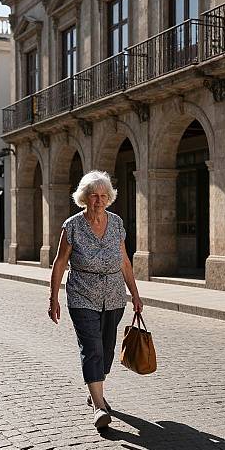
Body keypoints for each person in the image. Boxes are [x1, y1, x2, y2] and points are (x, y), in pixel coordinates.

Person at [49, 170, 143, 430]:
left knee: (107, 349)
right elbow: (59, 263)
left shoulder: (116, 224)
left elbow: (124, 261)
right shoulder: (72, 226)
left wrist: (135, 294)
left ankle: (95, 392)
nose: (99, 201)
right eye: (93, 196)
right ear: (84, 198)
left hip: (113, 295)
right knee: (92, 349)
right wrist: (53, 298)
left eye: (103, 196)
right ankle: (100, 407)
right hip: (82, 294)